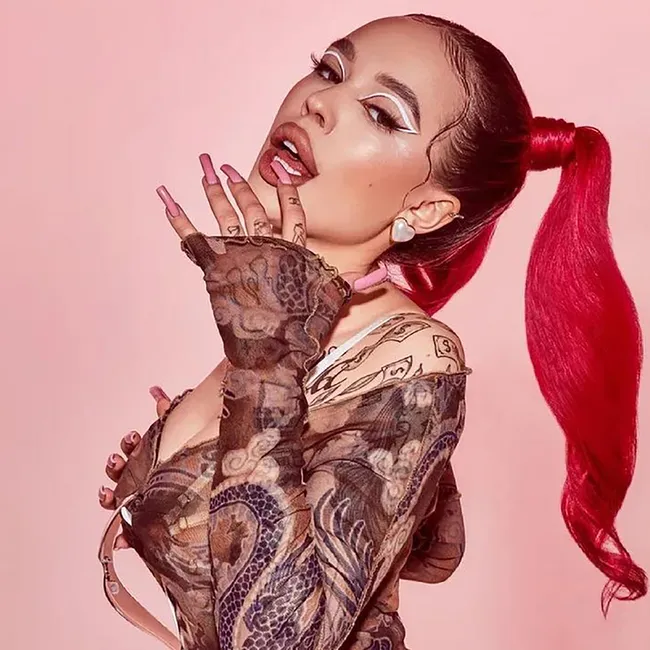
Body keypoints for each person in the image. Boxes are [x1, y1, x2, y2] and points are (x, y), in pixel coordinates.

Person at [97, 13, 646, 650]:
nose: (319, 102)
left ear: (426, 209)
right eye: (329, 69)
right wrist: (172, 485)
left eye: (382, 113)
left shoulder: (410, 354)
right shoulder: (283, 308)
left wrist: (262, 366)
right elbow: (428, 547)